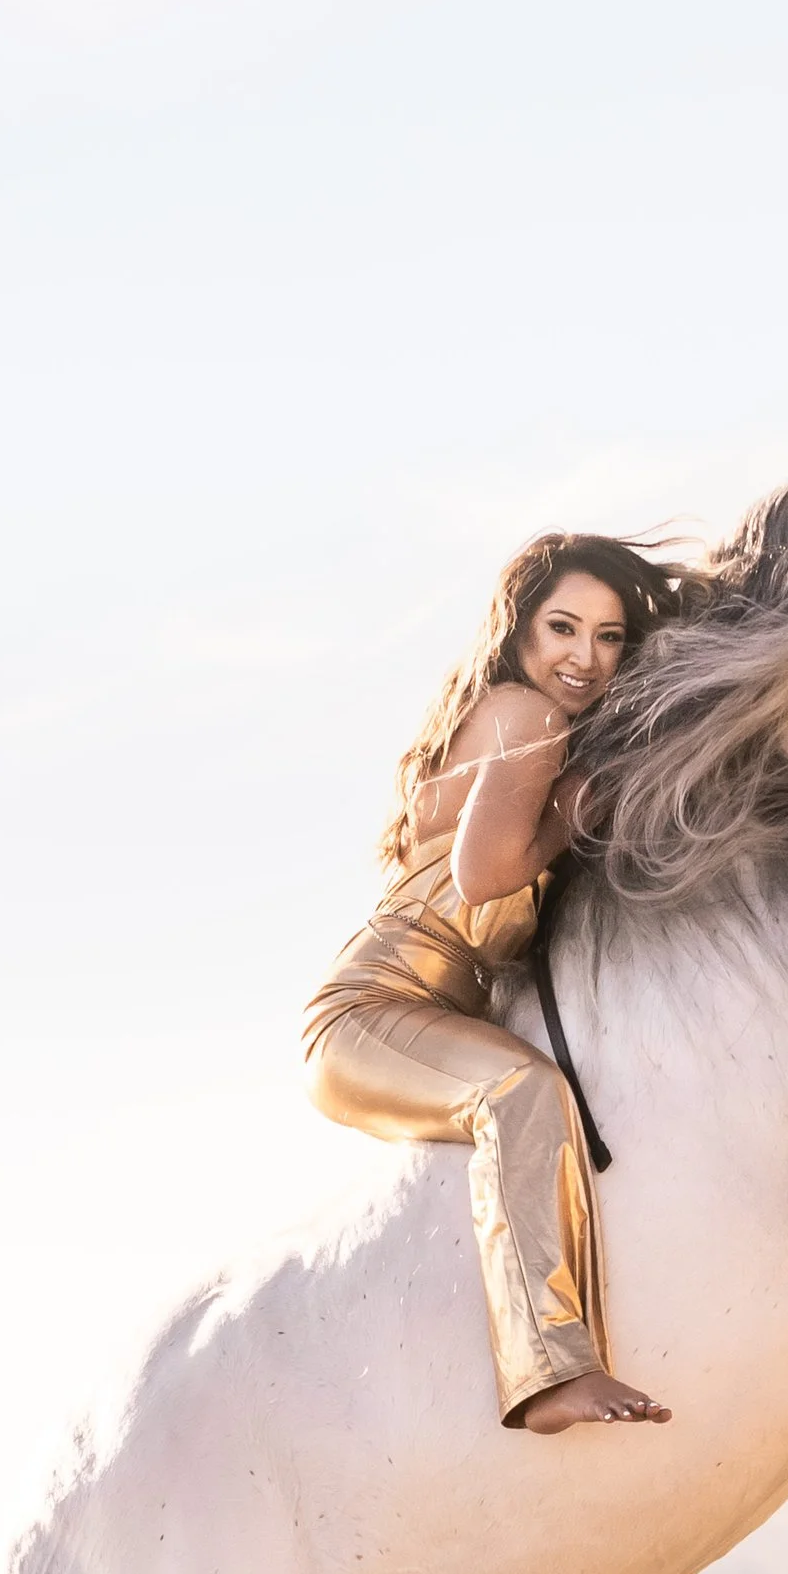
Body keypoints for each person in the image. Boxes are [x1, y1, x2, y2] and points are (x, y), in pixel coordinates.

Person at [304, 534, 682, 1432]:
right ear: (518, 634)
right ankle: (549, 1375)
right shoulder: (526, 715)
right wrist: (575, 813)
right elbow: (482, 879)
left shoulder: (541, 731)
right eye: (562, 628)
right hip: (371, 1011)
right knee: (522, 1092)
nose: (583, 657)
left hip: (433, 1007)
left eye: (609, 637)